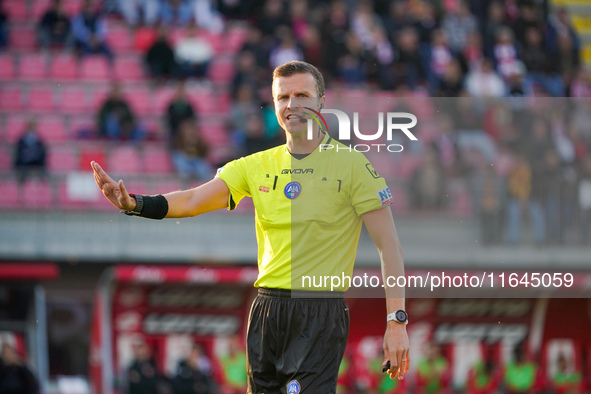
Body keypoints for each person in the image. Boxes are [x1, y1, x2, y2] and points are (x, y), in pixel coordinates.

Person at [91, 60, 410, 392]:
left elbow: (390, 246)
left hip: (320, 311)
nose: (292, 105)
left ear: (321, 102)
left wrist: (396, 321)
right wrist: (135, 204)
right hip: (266, 311)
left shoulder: (353, 165)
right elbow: (192, 201)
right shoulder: (255, 166)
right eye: (283, 97)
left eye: (302, 95)